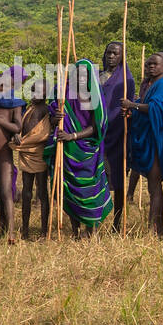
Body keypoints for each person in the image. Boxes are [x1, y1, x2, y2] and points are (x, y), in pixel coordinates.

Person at [52, 60, 113, 237]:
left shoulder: (94, 96)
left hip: (88, 149)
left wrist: (73, 136)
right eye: (76, 73)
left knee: (89, 190)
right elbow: (51, 118)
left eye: (84, 75)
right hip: (68, 150)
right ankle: (76, 230)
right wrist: (56, 118)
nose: (79, 78)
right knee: (70, 190)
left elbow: (97, 126)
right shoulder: (65, 95)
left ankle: (91, 230)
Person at [122, 51, 163, 235]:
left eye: (155, 64)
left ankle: (156, 228)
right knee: (151, 183)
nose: (151, 66)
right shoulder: (146, 84)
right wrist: (131, 110)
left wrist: (132, 105)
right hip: (143, 136)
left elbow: (155, 108)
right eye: (149, 64)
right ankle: (156, 227)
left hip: (156, 138)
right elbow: (141, 105)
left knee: (154, 183)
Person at [0, 64, 25, 241]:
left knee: (7, 191)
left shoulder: (15, 103)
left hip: (4, 152)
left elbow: (17, 126)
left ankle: (10, 231)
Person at [98, 40, 134, 230]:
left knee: (119, 180)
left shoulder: (127, 80)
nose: (111, 56)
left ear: (122, 57)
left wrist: (128, 112)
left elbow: (130, 107)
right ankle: (94, 220)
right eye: (109, 53)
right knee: (96, 176)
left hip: (119, 135)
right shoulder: (97, 77)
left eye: (115, 54)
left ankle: (118, 222)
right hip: (97, 134)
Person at [12, 74, 53, 239]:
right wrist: (17, 134)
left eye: (40, 91)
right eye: (33, 90)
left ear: (46, 94)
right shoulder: (28, 108)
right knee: (27, 192)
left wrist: (25, 142)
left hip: (39, 154)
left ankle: (44, 230)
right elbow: (20, 127)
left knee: (42, 192)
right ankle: (25, 229)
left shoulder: (46, 110)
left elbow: (43, 134)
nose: (36, 94)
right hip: (26, 154)